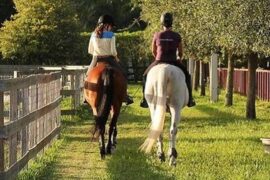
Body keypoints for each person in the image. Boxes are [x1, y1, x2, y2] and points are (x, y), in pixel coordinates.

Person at [140, 12, 196, 108]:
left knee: (145, 75)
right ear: (172, 22)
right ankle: (190, 99)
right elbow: (181, 52)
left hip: (159, 60)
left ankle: (144, 100)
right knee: (187, 75)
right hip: (173, 61)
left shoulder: (157, 35)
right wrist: (179, 59)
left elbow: (153, 50)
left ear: (162, 23)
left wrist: (157, 58)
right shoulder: (177, 36)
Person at [87, 14, 133, 105]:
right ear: (107, 25)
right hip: (109, 59)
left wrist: (97, 54)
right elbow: (113, 51)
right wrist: (116, 58)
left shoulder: (93, 34)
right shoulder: (111, 35)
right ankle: (125, 95)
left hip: (96, 58)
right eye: (111, 26)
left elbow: (90, 50)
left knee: (88, 75)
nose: (111, 28)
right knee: (123, 74)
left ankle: (86, 96)